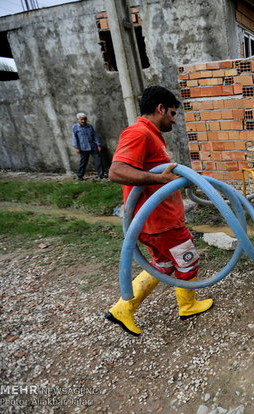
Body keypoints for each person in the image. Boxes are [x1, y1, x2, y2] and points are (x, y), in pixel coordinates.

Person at [104, 86, 213, 336]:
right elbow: (116, 171)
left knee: (163, 264)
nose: (174, 120)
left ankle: (122, 309)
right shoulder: (139, 133)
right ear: (160, 108)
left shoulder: (151, 135)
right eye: (172, 113)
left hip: (154, 222)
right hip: (160, 222)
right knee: (189, 260)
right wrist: (160, 181)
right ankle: (188, 306)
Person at [72, 112, 104, 180]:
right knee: (83, 162)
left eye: (85, 119)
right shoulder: (75, 127)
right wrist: (76, 147)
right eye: (81, 119)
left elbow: (95, 135)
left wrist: (98, 144)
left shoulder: (90, 126)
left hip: (92, 146)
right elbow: (74, 138)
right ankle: (80, 176)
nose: (83, 121)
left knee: (98, 160)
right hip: (83, 148)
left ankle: (101, 174)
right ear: (78, 119)